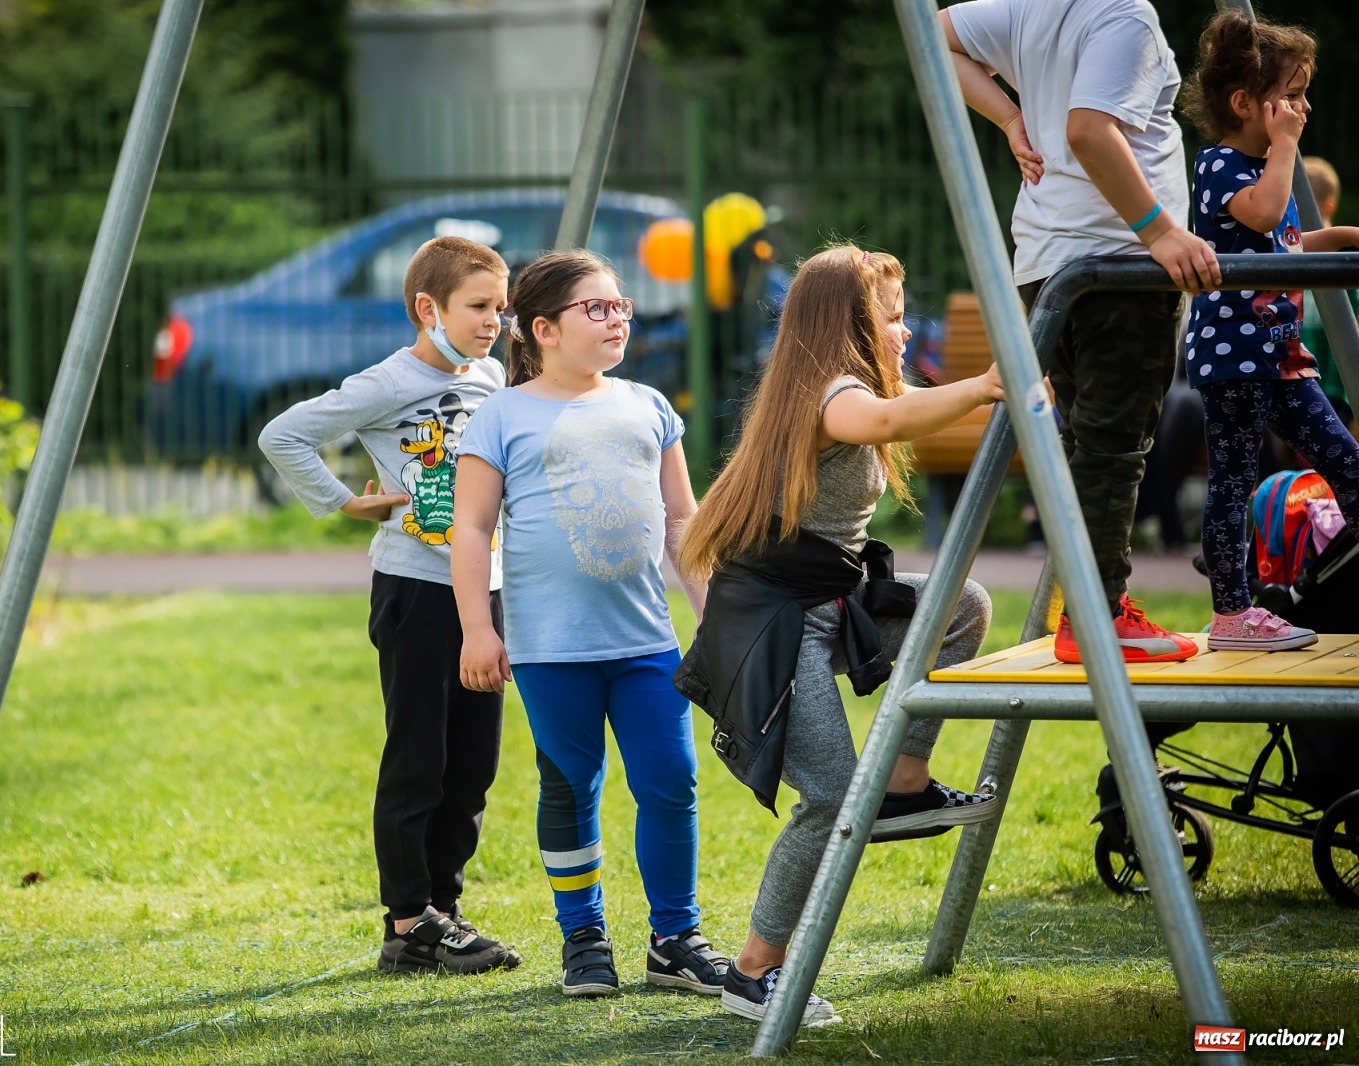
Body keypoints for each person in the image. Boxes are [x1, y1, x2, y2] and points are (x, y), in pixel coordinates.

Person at [678, 246, 1004, 1026]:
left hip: (830, 602)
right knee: (826, 797)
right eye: (892, 318)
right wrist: (988, 385)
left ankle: (904, 783)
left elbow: (902, 405)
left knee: (961, 607)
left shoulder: (843, 388)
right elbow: (888, 417)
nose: (904, 331)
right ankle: (752, 972)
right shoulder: (831, 393)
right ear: (849, 326)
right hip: (772, 628)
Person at [451, 249, 729, 999]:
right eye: (596, 309)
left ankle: (676, 939)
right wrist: (480, 629)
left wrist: (713, 618)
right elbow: (471, 530)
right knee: (571, 785)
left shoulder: (647, 405)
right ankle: (584, 936)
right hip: (550, 650)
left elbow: (682, 521)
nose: (616, 320)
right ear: (543, 328)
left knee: (672, 781)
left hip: (646, 645)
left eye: (621, 308)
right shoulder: (501, 415)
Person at [258, 236, 520, 975]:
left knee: (473, 764)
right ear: (426, 308)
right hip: (414, 592)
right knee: (420, 761)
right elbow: (283, 435)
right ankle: (407, 923)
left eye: (500, 308)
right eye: (478, 307)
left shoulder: (493, 376)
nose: (493, 321)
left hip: (485, 592)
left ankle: (443, 910)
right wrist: (347, 503)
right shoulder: (385, 381)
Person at [943, 0, 1222, 664]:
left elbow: (935, 35)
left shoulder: (1034, 8)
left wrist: (1010, 115)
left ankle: (1092, 607)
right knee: (1112, 448)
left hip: (1045, 261)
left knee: (1087, 442)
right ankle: (1099, 615)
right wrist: (1160, 229)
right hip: (1117, 265)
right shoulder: (1125, 18)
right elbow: (1089, 130)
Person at [1176, 11, 1359, 651]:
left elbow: (1282, 240)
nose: (1303, 107)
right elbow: (1265, 212)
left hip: (1280, 356)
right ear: (1245, 103)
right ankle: (1232, 613)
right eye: (1293, 94)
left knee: (1347, 462)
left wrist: (1339, 240)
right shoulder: (1222, 165)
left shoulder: (1263, 170)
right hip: (1235, 356)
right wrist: (1284, 147)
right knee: (1234, 479)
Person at [1301, 156, 1357, 428]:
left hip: (1335, 390)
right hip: (1295, 382)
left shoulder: (1342, 263)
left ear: (1326, 205)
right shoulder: (1287, 257)